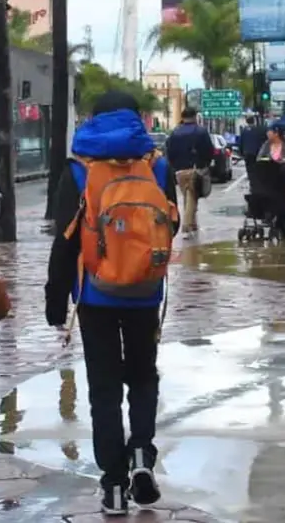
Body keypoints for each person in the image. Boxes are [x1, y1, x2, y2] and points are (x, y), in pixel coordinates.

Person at [45, 90, 179, 515]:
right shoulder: (157, 165)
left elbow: (64, 243)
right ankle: (142, 452)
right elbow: (169, 227)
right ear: (137, 117)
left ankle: (114, 485)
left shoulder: (78, 170)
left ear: (93, 120)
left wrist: (55, 300)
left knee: (103, 388)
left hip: (95, 295)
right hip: (145, 293)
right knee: (142, 376)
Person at [164, 106, 213, 235]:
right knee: (192, 195)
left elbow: (169, 151)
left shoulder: (174, 133)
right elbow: (208, 150)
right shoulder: (201, 131)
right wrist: (205, 164)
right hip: (195, 168)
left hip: (179, 171)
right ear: (194, 116)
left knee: (189, 195)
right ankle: (186, 225)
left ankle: (193, 224)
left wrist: (174, 166)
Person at [256, 121, 285, 235]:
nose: (267, 133)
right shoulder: (266, 145)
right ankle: (269, 216)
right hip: (270, 178)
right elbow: (259, 158)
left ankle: (282, 223)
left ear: (276, 132)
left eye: (270, 131)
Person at [239, 117, 268, 186]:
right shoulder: (258, 130)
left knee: (249, 167)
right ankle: (256, 179)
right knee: (256, 166)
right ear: (254, 121)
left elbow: (240, 142)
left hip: (247, 152)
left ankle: (251, 180)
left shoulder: (244, 131)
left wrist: (241, 152)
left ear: (247, 122)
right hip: (256, 152)